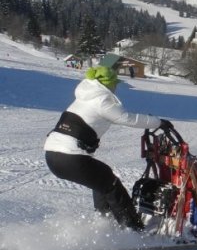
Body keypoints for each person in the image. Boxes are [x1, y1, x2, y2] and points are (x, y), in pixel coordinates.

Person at [43, 65, 174, 231]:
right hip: (70, 157)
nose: (116, 87)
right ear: (107, 83)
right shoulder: (101, 99)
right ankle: (133, 230)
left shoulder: (84, 97)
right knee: (110, 184)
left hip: (53, 155)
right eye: (115, 83)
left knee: (102, 179)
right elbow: (126, 118)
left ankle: (106, 224)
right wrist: (159, 122)